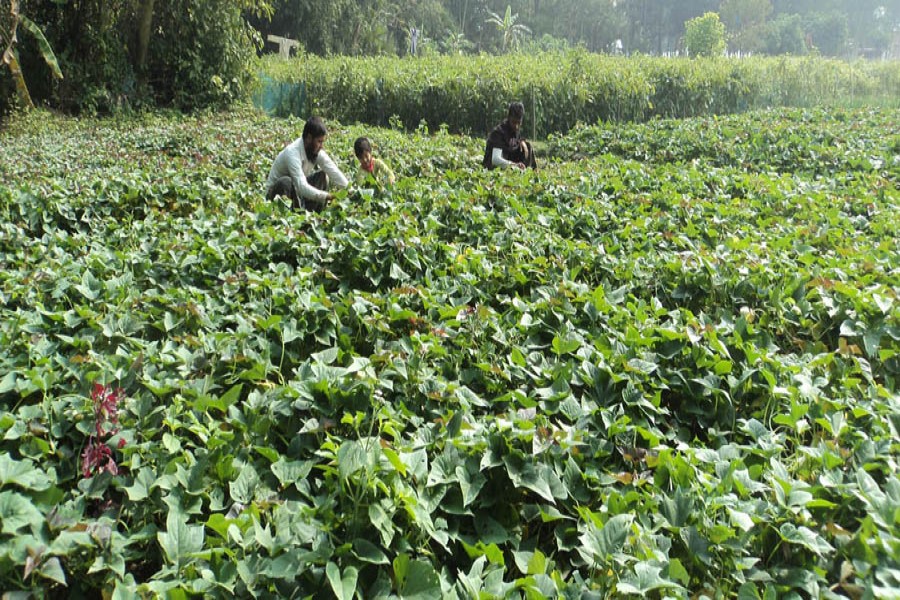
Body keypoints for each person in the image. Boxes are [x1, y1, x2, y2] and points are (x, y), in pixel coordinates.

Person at [266, 116, 349, 212]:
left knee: (322, 176)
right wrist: (327, 196)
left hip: (297, 193)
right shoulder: (292, 152)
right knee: (286, 182)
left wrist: (349, 190)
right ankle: (293, 217)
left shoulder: (315, 150)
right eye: (319, 141)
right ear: (309, 138)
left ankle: (315, 217)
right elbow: (301, 186)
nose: (321, 146)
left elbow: (333, 170)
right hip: (277, 195)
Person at [483, 101, 537, 171]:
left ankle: (529, 171)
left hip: (509, 162)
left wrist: (522, 141)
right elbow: (495, 159)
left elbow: (517, 142)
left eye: (519, 123)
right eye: (514, 122)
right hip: (493, 167)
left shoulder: (515, 130)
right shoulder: (498, 132)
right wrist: (514, 165)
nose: (516, 126)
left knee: (527, 146)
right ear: (509, 118)